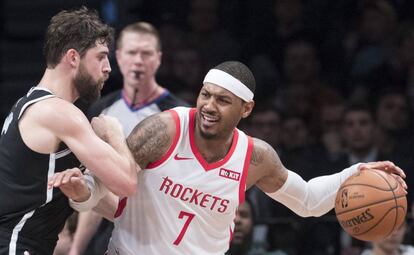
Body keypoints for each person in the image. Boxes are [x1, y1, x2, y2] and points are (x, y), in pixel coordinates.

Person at [52, 61, 407, 255]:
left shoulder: (256, 157)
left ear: (246, 108)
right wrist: (81, 193)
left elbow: (309, 202)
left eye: (223, 100)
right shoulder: (164, 130)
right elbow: (105, 185)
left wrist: (355, 172)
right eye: (205, 95)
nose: (208, 106)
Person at [0, 7, 138, 255]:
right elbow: (126, 183)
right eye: (101, 57)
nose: (108, 68)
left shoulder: (35, 105)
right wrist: (114, 133)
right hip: (14, 245)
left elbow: (114, 207)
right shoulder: (58, 113)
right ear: (73, 57)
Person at [69, 21, 188, 255]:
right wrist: (76, 250)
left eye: (146, 53)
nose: (138, 61)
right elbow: (92, 181)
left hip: (159, 229)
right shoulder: (99, 110)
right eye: (132, 52)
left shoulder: (179, 115)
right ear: (119, 57)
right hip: (105, 224)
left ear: (159, 58)